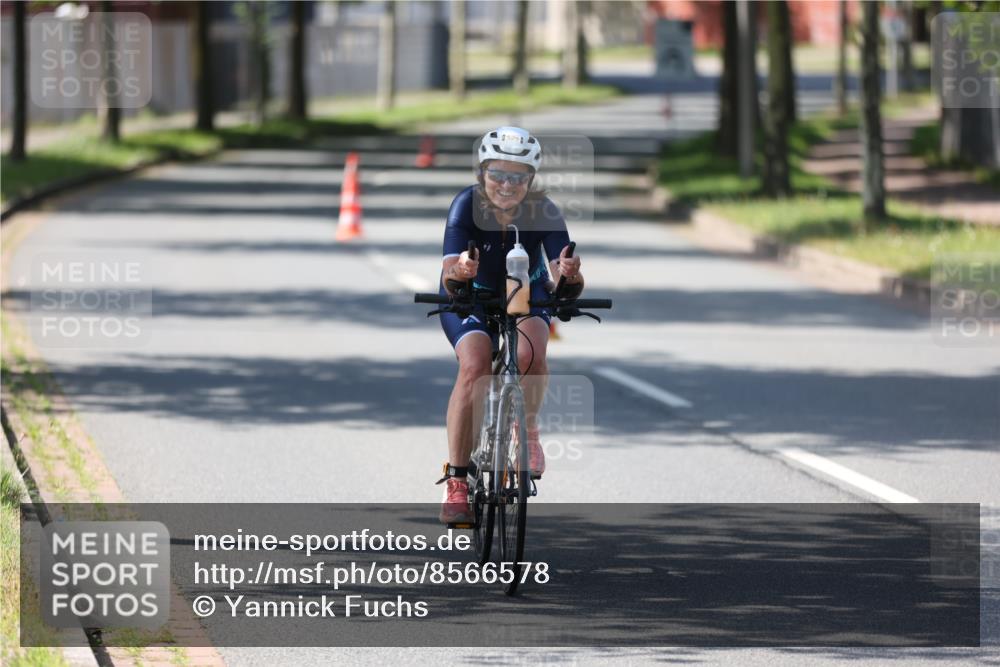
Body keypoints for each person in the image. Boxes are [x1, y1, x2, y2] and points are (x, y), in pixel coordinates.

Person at [437, 126, 583, 524]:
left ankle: (527, 432)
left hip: (525, 288)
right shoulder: (465, 205)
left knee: (530, 352)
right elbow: (449, 273)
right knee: (475, 365)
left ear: (530, 180)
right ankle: (457, 481)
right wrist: (461, 271)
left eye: (518, 177)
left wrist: (571, 275)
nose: (506, 184)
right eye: (498, 174)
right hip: (471, 292)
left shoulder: (544, 210)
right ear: (482, 172)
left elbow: (562, 274)